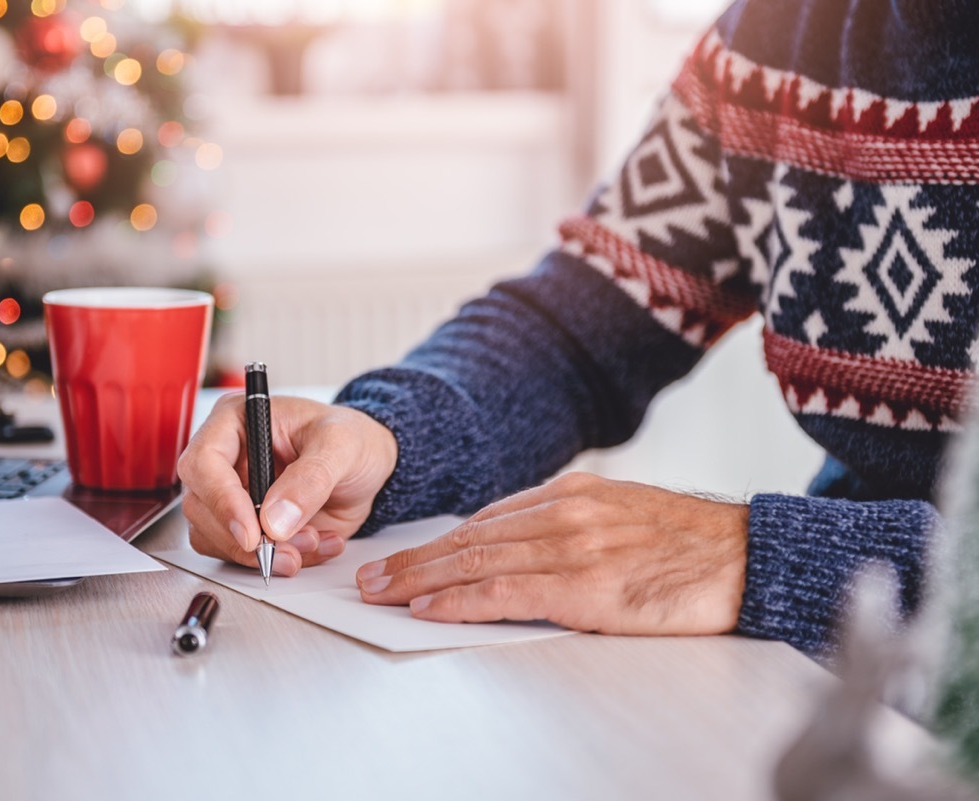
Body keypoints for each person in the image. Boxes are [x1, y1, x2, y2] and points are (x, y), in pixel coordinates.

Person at [178, 0, 976, 657]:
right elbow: (580, 327)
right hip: (849, 680)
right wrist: (386, 435)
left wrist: (762, 554)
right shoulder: (780, 34)